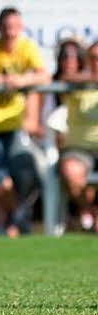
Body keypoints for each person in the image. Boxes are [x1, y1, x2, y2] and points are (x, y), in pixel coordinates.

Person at [0, 7, 50, 237]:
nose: (11, 32)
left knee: (20, 177)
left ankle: (6, 222)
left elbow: (44, 75)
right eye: (7, 27)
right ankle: (15, 219)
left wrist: (21, 79)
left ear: (21, 29)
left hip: (15, 124)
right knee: (0, 179)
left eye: (15, 27)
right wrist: (8, 80)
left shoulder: (27, 48)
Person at [55, 41, 98, 231]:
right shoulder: (75, 82)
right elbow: (64, 78)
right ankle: (89, 214)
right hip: (79, 149)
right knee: (70, 172)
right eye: (94, 58)